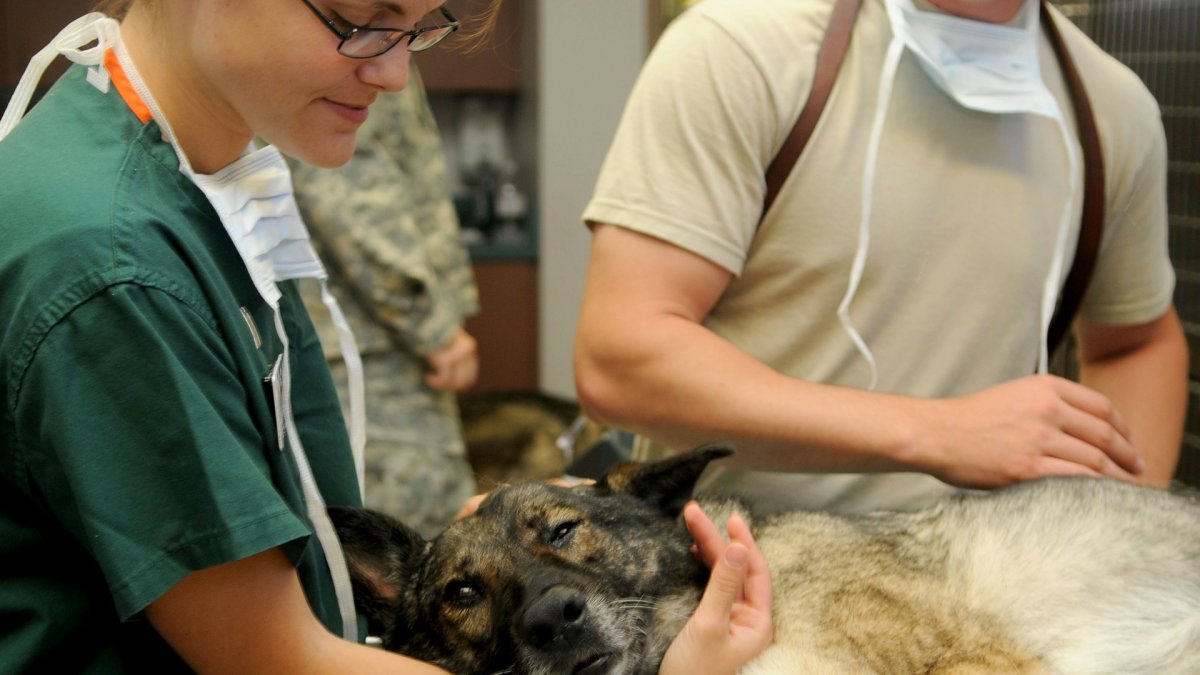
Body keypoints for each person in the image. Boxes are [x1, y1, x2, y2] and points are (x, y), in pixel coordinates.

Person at [0, 0, 772, 672]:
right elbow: (277, 660)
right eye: (361, 21)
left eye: (418, 29)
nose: (395, 74)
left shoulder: (205, 180)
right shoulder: (112, 267)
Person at [575, 0, 1188, 516]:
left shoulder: (1112, 110)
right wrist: (939, 433)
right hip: (740, 588)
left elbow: (1136, 341)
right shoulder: (745, 48)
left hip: (990, 592)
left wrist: (1120, 528)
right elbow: (621, 358)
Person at [288, 70, 481, 539]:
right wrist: (431, 326)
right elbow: (349, 190)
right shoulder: (354, 39)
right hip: (369, 346)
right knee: (420, 548)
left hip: (359, 337)